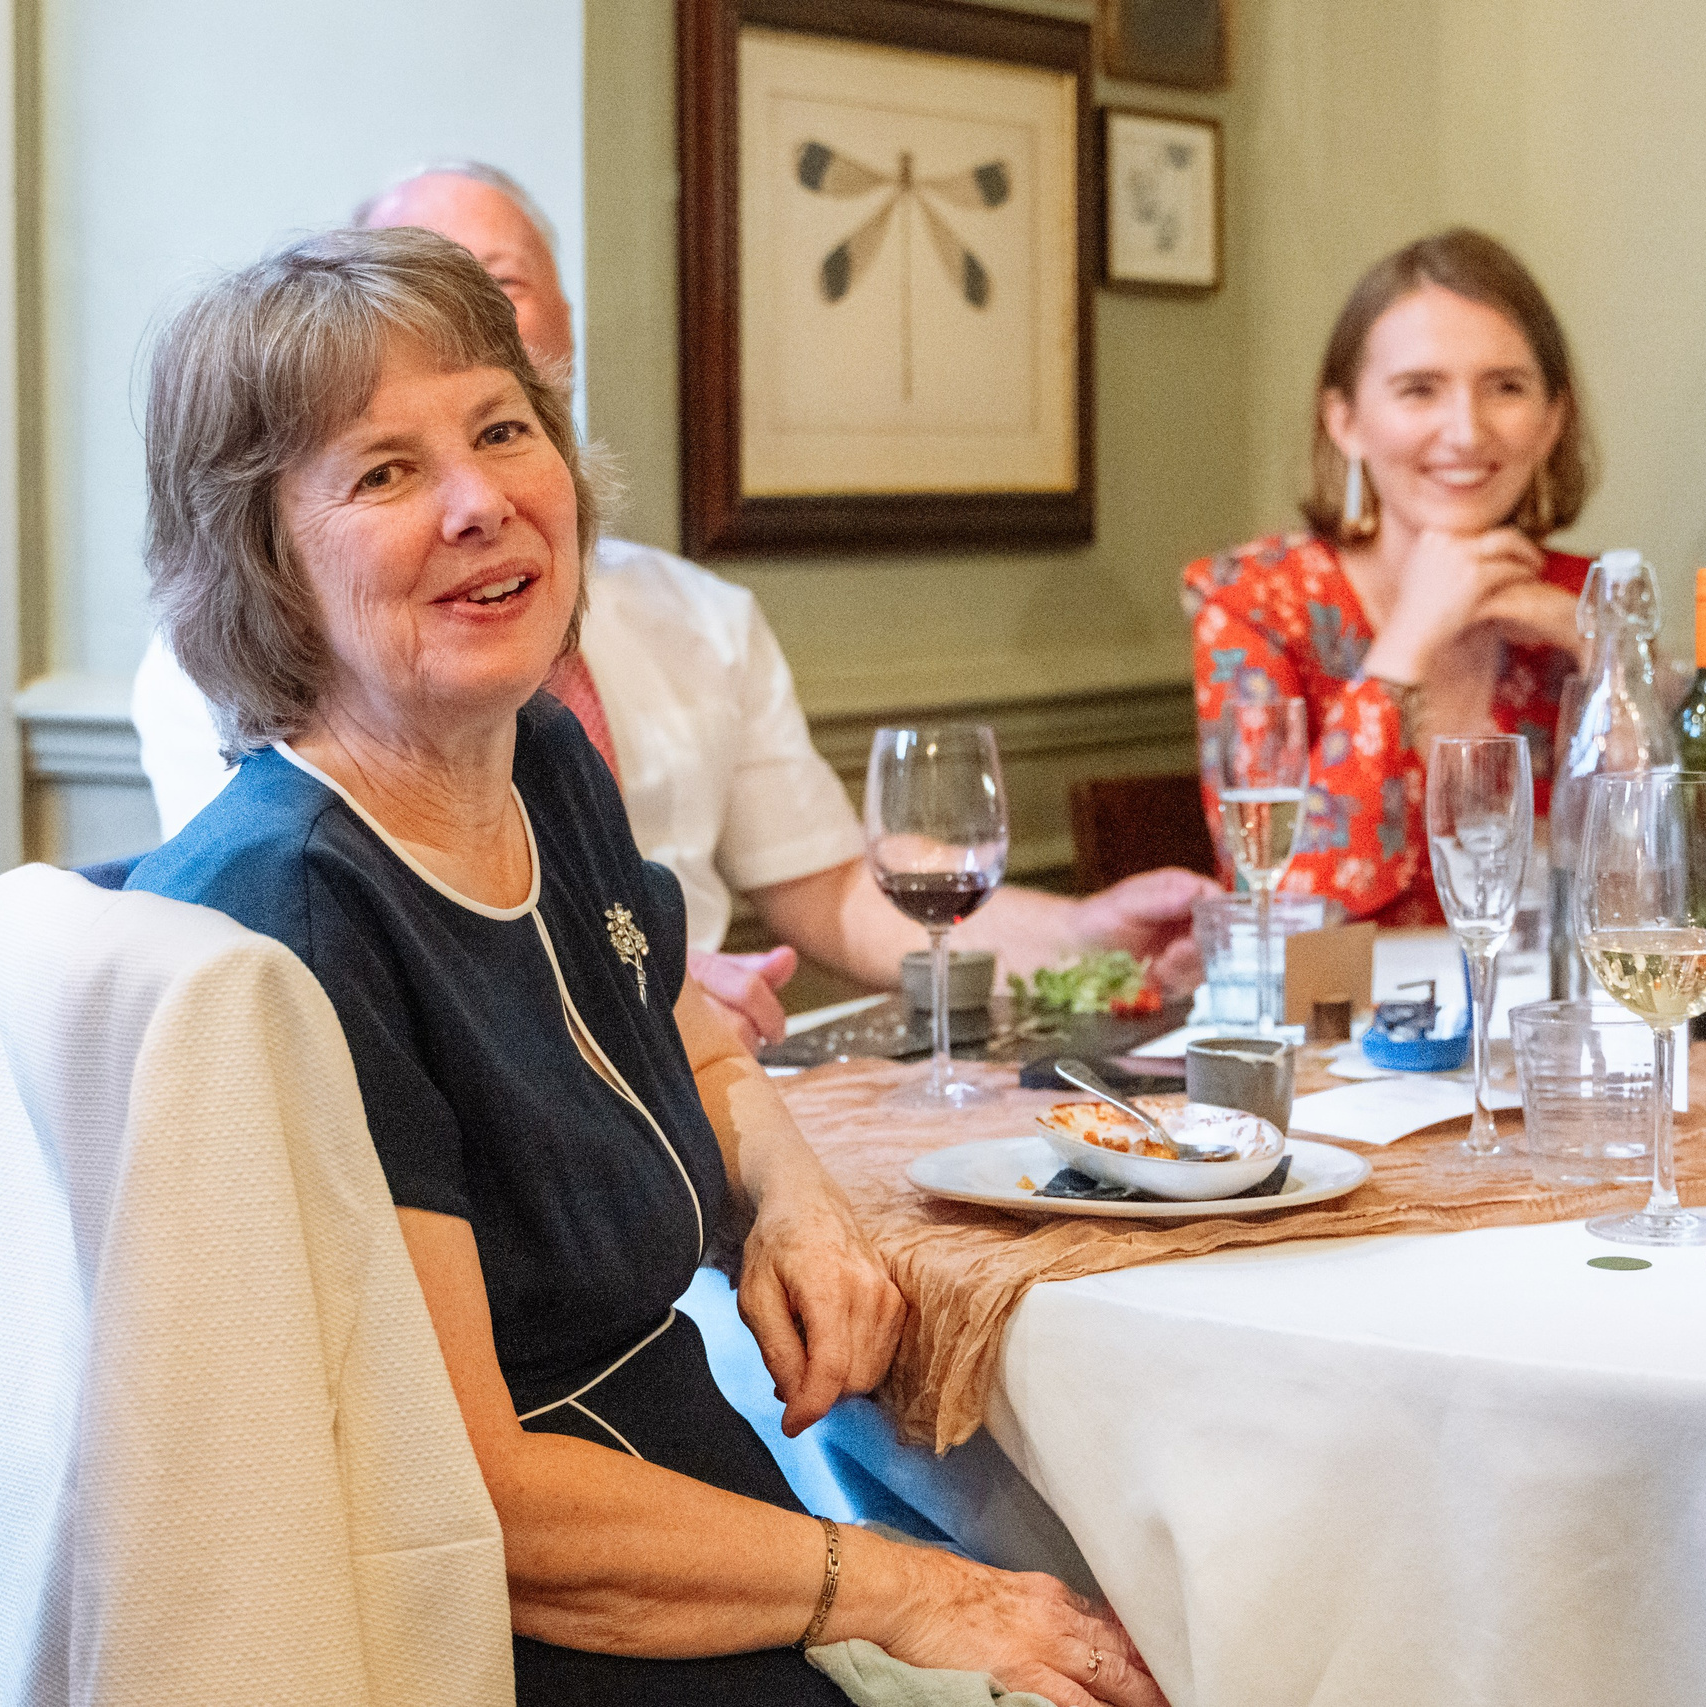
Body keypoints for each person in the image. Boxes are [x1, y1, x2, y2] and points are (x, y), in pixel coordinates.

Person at [125, 229, 1163, 1707]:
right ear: (261, 562)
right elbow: (479, 1494)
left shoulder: (532, 754)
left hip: (710, 1526)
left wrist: (791, 1200)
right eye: (385, 471)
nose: (482, 501)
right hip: (516, 1633)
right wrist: (920, 1594)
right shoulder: (298, 911)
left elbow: (680, 1022)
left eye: (501, 427)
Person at [133, 162, 1215, 1046]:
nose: (470, 507)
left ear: (552, 338)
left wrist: (1083, 933)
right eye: (382, 467)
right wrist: (644, 984)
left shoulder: (679, 640)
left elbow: (832, 888)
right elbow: (311, 965)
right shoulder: (251, 753)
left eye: (487, 295)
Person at [1184, 228, 1590, 925]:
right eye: (1419, 390)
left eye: (1506, 388)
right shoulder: (1254, 604)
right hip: (1334, 1023)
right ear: (1346, 421)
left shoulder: (1579, 600)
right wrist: (1407, 643)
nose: (1465, 432)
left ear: (1552, 420)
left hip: (1536, 1019)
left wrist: (1612, 657)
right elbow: (1287, 903)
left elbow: (1676, 892)